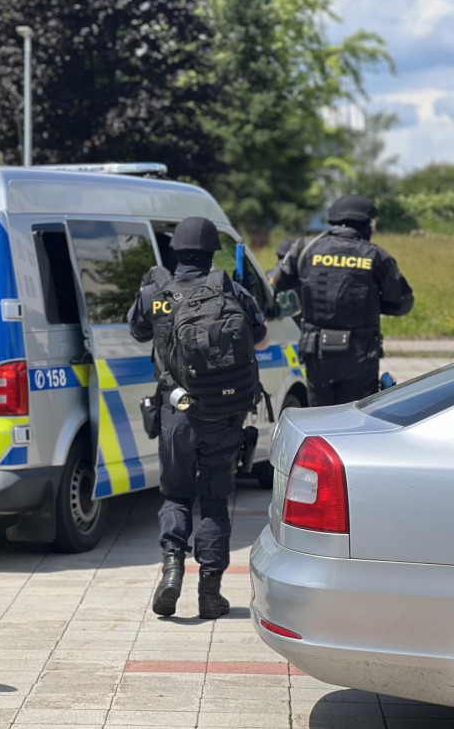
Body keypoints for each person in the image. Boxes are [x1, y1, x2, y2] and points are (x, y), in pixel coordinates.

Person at [128, 217, 268, 620]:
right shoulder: (229, 289)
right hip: (224, 415)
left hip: (176, 412)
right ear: (211, 254)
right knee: (214, 502)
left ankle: (172, 569)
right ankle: (210, 593)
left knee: (176, 496)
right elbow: (260, 336)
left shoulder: (155, 293)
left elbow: (136, 331)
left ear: (176, 250)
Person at [272, 195, 414, 406]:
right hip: (360, 356)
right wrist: (373, 304)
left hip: (317, 355)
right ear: (364, 224)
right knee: (356, 418)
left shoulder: (304, 249)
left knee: (318, 417)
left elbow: (276, 284)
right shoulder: (376, 256)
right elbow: (403, 302)